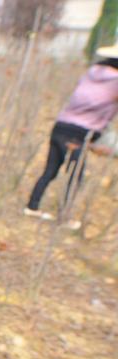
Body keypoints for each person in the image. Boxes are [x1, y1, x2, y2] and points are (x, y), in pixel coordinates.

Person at [24, 44, 118, 229]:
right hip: (81, 132)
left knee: (50, 170)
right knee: (75, 176)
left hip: (60, 125)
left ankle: (32, 206)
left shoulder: (91, 73)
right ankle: (64, 217)